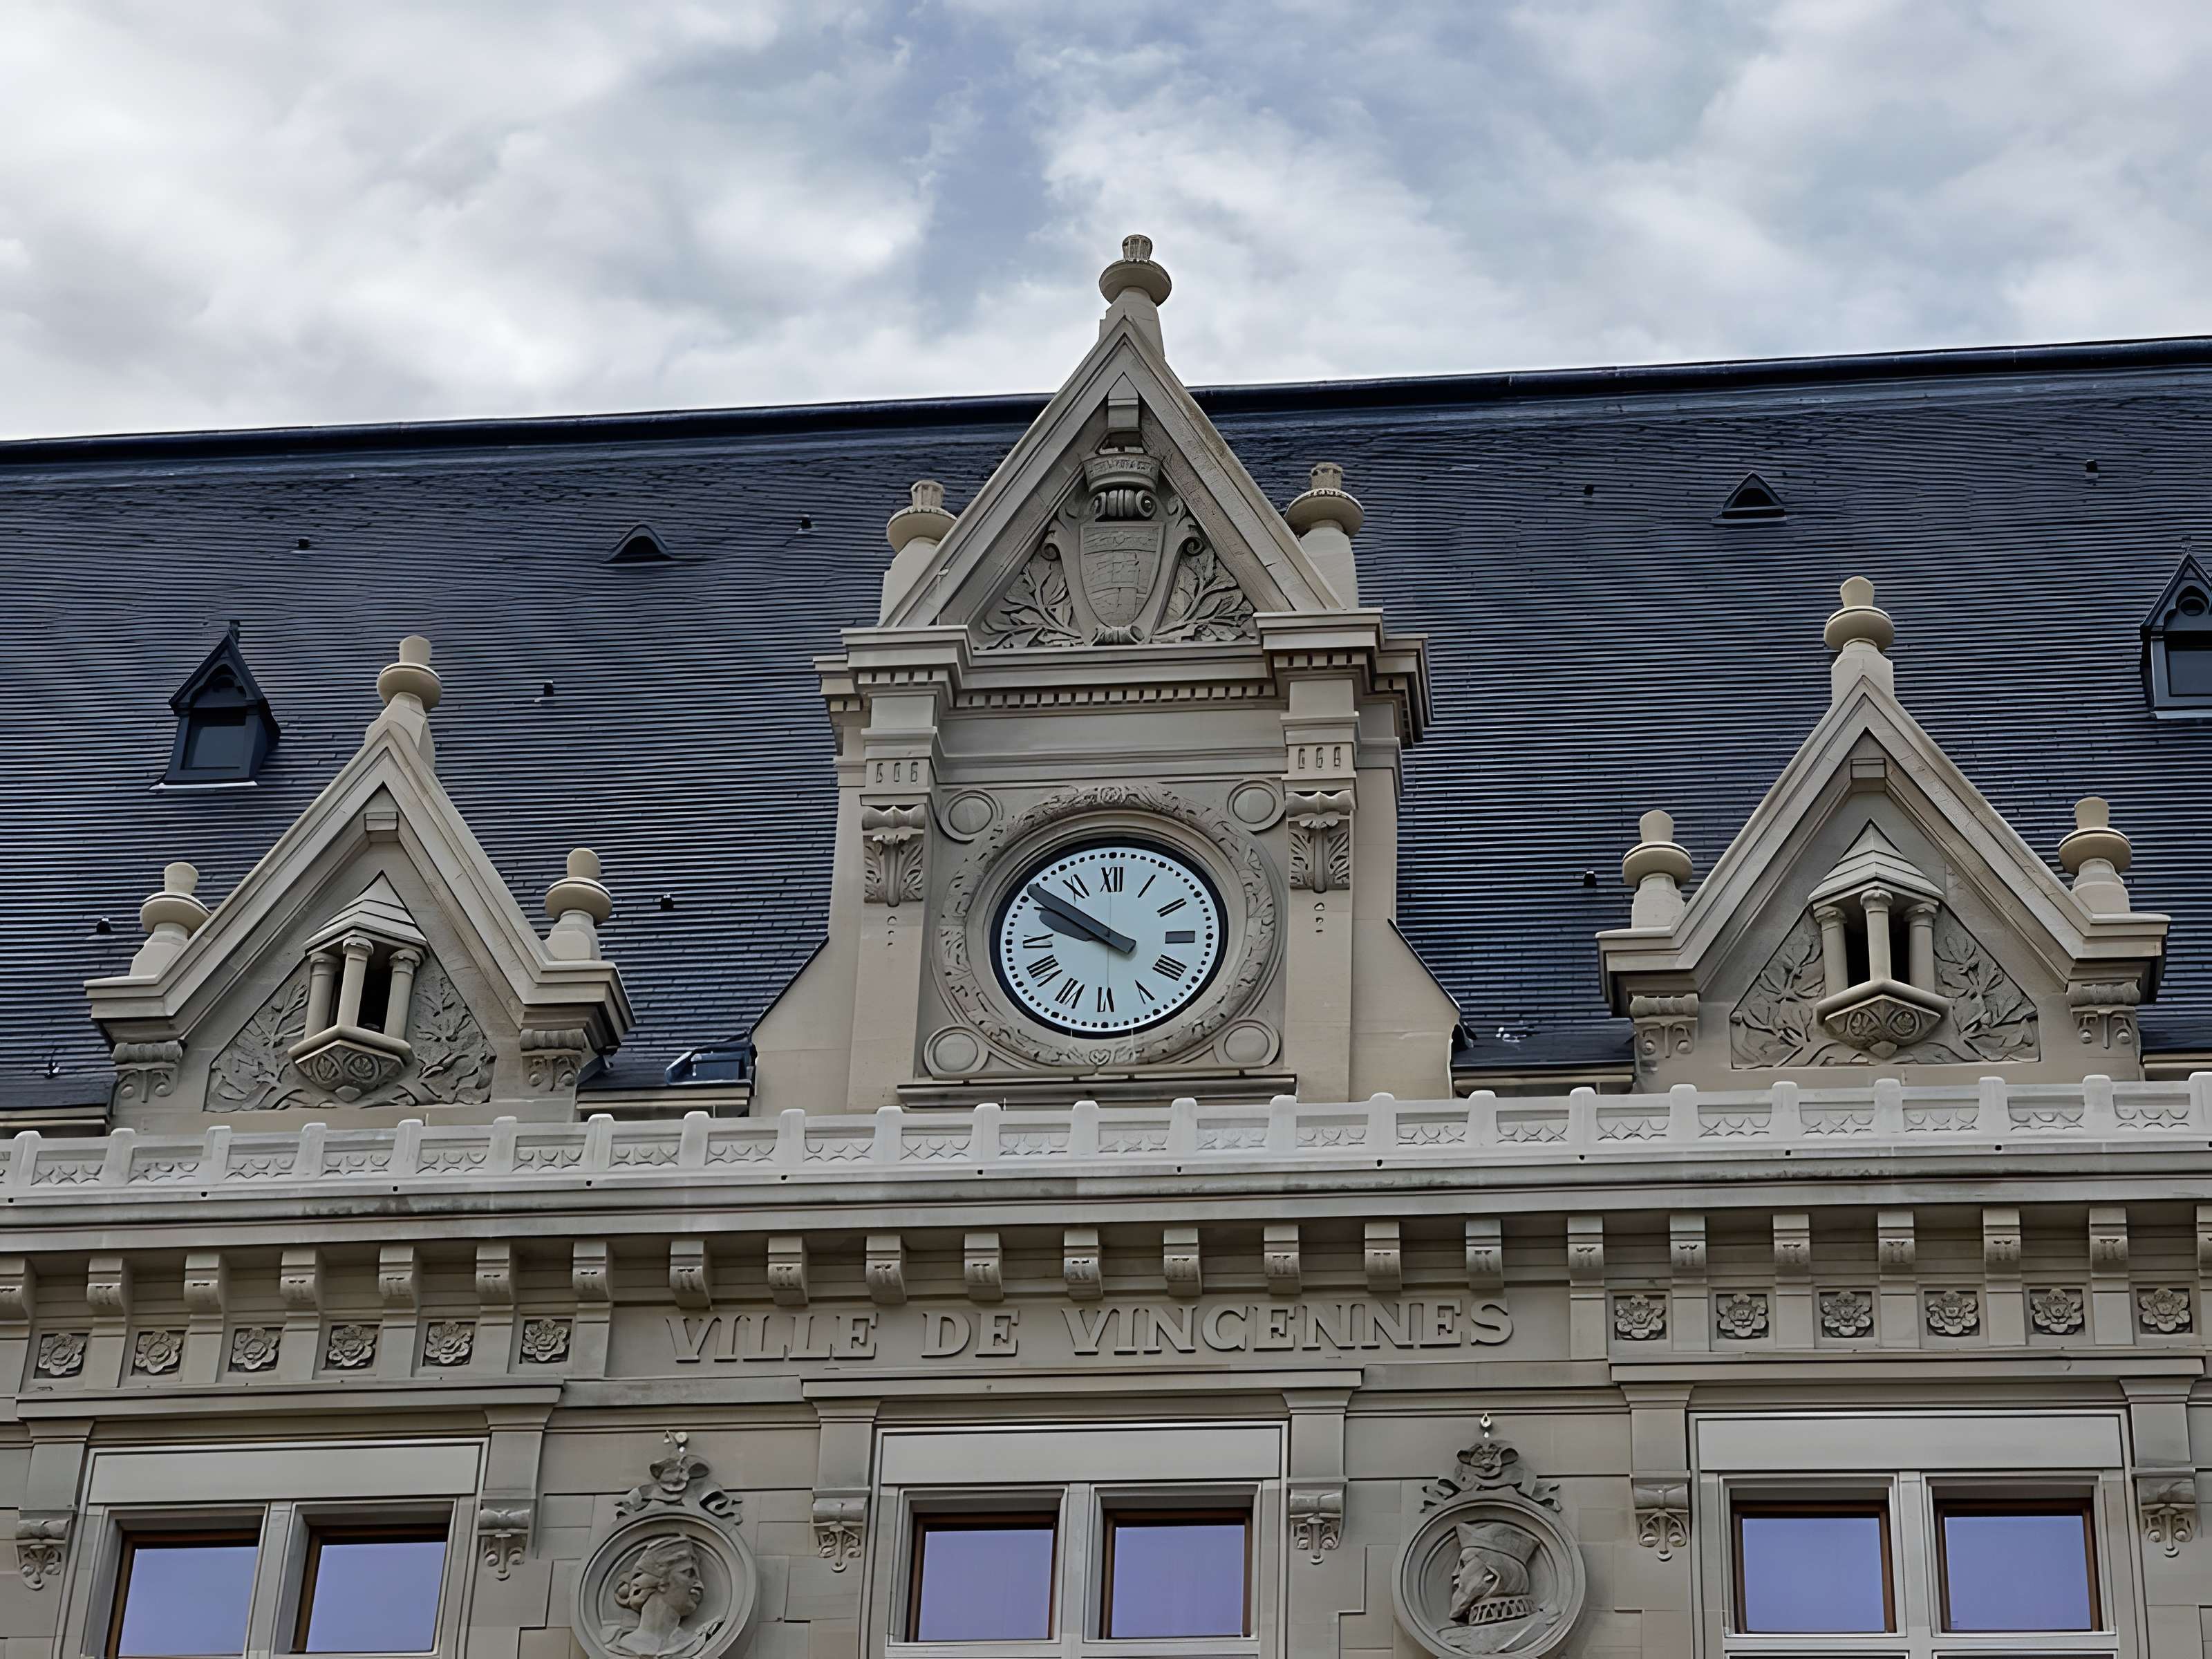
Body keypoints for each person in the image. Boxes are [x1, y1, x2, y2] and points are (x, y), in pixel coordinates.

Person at [610, 1534, 713, 1658]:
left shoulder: (695, 1642)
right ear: (661, 1582)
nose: (699, 1585)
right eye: (689, 1573)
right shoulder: (619, 1644)